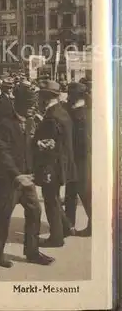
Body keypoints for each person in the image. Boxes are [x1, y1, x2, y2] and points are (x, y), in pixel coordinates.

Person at [0, 86, 54, 268]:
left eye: (33, 105)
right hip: (10, 179)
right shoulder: (4, 124)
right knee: (3, 215)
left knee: (35, 212)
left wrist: (39, 145)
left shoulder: (28, 121)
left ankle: (32, 252)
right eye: (29, 105)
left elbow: (27, 146)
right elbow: (3, 153)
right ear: (18, 105)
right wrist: (17, 175)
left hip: (27, 177)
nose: (33, 108)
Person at [33, 80, 77, 247]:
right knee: (55, 198)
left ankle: (56, 238)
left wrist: (36, 143)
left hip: (52, 166)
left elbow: (48, 145)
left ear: (45, 98)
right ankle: (65, 227)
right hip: (63, 163)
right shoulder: (62, 112)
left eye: (40, 96)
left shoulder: (51, 117)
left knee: (50, 199)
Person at [64, 82, 92, 236]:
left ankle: (91, 225)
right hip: (79, 158)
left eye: (70, 94)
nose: (67, 97)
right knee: (71, 192)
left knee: (83, 192)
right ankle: (69, 224)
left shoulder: (79, 114)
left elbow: (83, 141)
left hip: (79, 159)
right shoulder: (85, 110)